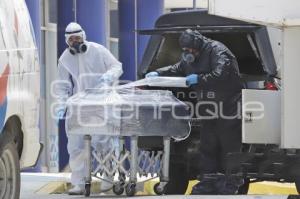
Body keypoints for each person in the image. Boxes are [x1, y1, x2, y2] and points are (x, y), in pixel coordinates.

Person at [145, 29, 244, 194]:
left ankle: (231, 181)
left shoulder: (217, 50)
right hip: (207, 106)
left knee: (228, 145)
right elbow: (178, 67)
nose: (189, 53)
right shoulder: (190, 56)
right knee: (208, 145)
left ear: (198, 44)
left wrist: (199, 79)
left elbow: (221, 74)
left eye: (190, 49)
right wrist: (159, 73)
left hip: (229, 105)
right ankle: (208, 181)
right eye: (185, 50)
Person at [54, 22, 123, 195]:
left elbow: (117, 66)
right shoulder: (65, 58)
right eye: (71, 40)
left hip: (101, 102)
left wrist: (108, 77)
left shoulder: (98, 50)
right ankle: (79, 182)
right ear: (67, 42)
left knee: (103, 143)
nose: (75, 42)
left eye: (77, 38)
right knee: (75, 145)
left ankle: (107, 178)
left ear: (83, 37)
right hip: (79, 105)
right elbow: (62, 85)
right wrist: (62, 104)